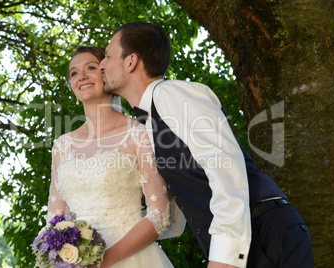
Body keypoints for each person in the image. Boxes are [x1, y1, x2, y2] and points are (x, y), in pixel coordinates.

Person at [99, 21, 314, 268]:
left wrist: (224, 259)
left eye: (107, 55)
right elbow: (174, 211)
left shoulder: (173, 94)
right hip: (240, 241)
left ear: (130, 61)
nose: (102, 64)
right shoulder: (146, 123)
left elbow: (225, 167)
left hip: (264, 235)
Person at [46, 46, 176, 268]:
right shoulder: (62, 145)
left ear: (106, 73)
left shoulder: (138, 134)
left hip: (131, 259)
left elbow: (160, 214)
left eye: (91, 68)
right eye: (74, 73)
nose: (82, 76)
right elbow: (55, 215)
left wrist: (104, 261)